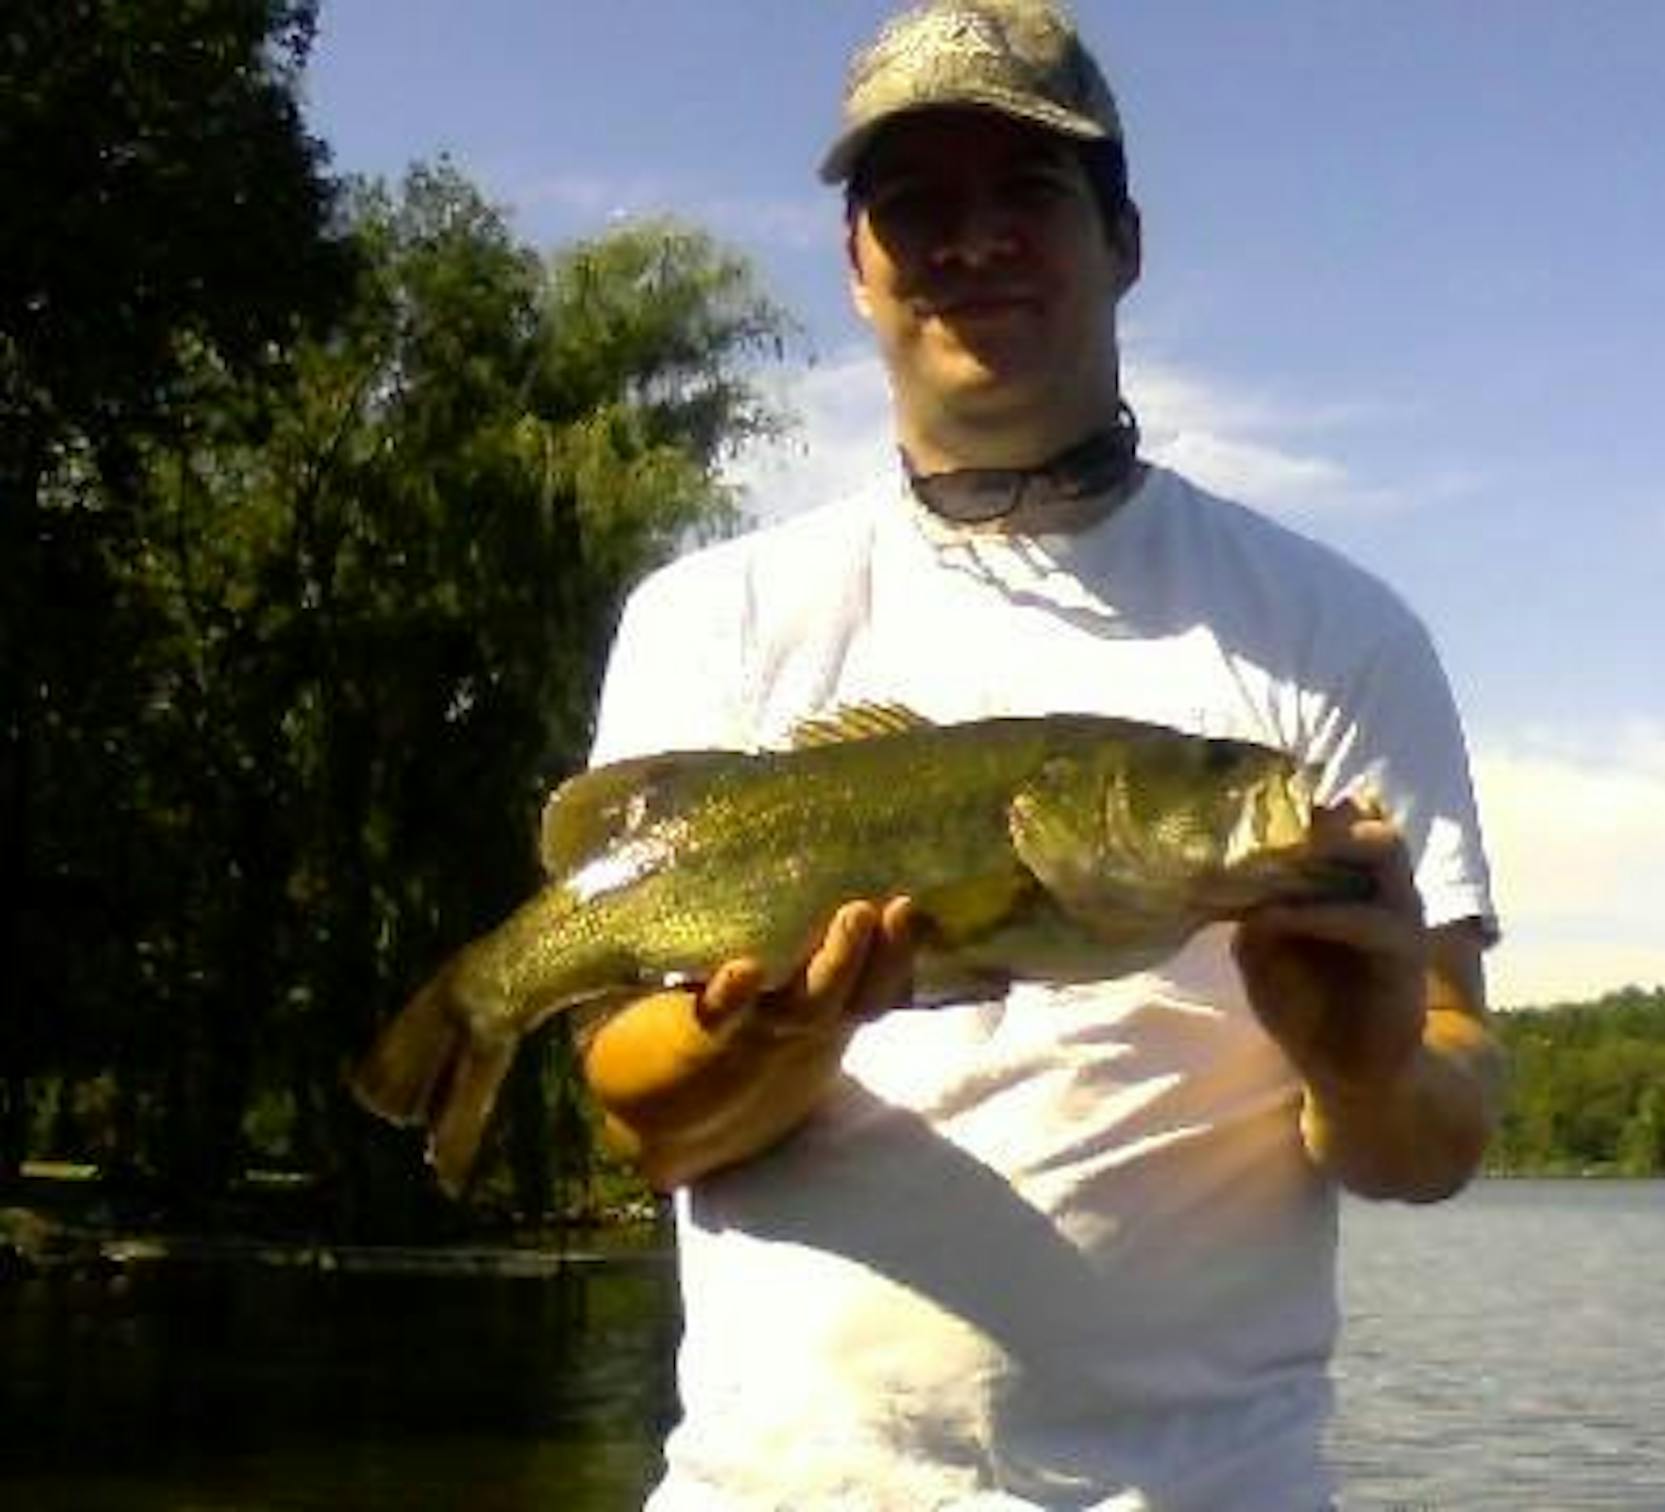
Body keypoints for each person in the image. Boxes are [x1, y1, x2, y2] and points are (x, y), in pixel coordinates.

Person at [579, 2, 1504, 1506]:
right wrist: (780, 1033)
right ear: (858, 265)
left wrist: (1367, 1064)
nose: (972, 241)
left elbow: (1437, 1129)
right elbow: (641, 1116)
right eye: (917, 206)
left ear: (1125, 240)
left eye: (1029, 194)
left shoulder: (1332, 632)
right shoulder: (711, 619)